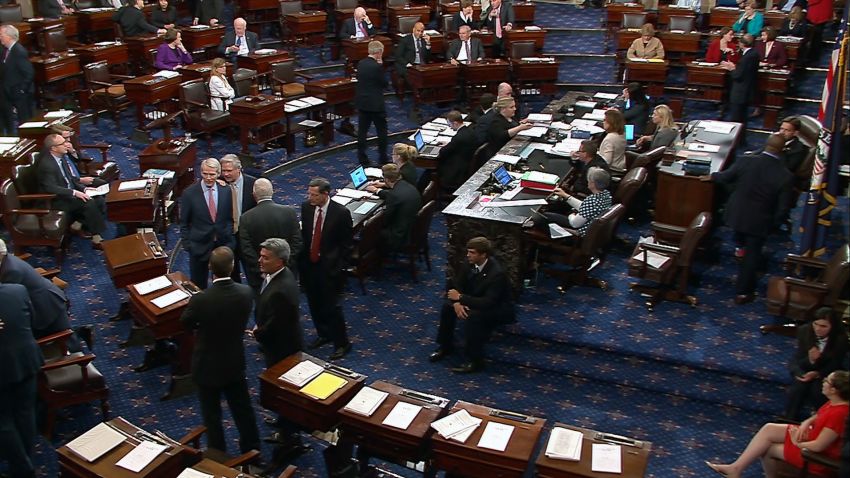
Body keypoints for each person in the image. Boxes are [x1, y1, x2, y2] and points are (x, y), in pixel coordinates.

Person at [180, 246, 260, 456]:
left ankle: (218, 456)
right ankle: (252, 452)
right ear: (233, 266)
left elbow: (186, 323)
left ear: (209, 267)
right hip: (234, 362)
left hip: (206, 366)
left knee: (212, 415)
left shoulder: (200, 299)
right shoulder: (246, 293)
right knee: (243, 411)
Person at [701, 134, 793, 304]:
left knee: (744, 239)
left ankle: (739, 247)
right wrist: (773, 225)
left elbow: (726, 176)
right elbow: (783, 208)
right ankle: (742, 293)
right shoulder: (785, 175)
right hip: (759, 221)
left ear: (765, 145)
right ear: (782, 150)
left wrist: (712, 176)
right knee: (753, 255)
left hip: (736, 214)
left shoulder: (746, 161)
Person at [706, 370, 849, 478]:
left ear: (834, 390)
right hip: (809, 435)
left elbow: (819, 446)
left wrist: (797, 443)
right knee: (769, 429)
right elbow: (819, 415)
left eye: (826, 381)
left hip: (815, 455)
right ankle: (735, 469)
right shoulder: (834, 401)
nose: (823, 382)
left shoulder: (840, 414)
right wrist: (807, 422)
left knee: (769, 450)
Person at [429, 236, 514, 374]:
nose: (468, 255)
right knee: (447, 307)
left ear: (483, 254)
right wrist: (457, 302)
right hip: (473, 300)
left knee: (474, 317)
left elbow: (489, 302)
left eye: (472, 252)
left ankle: (475, 360)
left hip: (496, 308)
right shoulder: (469, 263)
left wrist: (462, 298)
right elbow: (456, 286)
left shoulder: (497, 274)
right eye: (468, 252)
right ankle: (445, 346)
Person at [251, 238, 303, 448]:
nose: (260, 261)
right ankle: (283, 421)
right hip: (279, 344)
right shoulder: (278, 276)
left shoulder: (282, 288)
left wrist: (258, 333)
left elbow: (276, 325)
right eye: (260, 255)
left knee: (284, 391)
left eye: (265, 257)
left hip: (283, 349)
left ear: (280, 261)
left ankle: (288, 434)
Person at [299, 178, 353, 361]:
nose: (310, 198)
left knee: (332, 307)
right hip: (310, 265)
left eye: (314, 195)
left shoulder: (341, 213)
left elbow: (346, 245)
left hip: (330, 268)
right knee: (314, 303)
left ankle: (342, 343)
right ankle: (324, 333)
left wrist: (340, 268)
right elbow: (305, 236)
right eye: (309, 194)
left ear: (325, 194)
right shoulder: (306, 208)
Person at [0, 239, 88, 351]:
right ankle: (81, 333)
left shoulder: (11, 271)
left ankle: (80, 356)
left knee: (66, 339)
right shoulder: (5, 261)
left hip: (46, 306)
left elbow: (7, 298)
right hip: (38, 301)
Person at [0, 283, 43, 478]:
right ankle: (26, 458)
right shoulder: (18, 290)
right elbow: (32, 322)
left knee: (4, 421)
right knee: (25, 412)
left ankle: (22, 468)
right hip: (26, 361)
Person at [36, 134, 108, 249]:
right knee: (88, 202)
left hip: (68, 193)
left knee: (98, 199)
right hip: (55, 200)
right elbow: (50, 188)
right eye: (62, 143)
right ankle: (96, 238)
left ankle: (77, 224)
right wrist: (74, 192)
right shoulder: (46, 165)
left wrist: (84, 189)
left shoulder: (61, 157)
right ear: (53, 148)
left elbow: (70, 178)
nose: (66, 144)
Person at [784, 308, 849, 421]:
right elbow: (798, 359)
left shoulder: (840, 339)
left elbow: (836, 363)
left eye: (823, 326)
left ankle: (822, 421)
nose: (818, 329)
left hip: (826, 371)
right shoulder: (804, 331)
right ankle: (789, 419)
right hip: (806, 366)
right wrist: (810, 361)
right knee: (799, 386)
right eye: (815, 324)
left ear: (832, 326)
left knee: (817, 390)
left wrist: (818, 374)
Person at [179, 158, 235, 289]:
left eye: (212, 174)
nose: (208, 178)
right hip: (198, 246)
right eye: (205, 174)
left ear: (218, 173)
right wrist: (188, 245)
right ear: (201, 172)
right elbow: (184, 223)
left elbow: (229, 217)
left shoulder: (225, 190)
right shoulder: (189, 193)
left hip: (222, 243)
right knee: (198, 286)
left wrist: (230, 239)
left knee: (223, 284)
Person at [239, 179, 302, 293]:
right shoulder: (289, 212)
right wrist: (284, 266)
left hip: (259, 277)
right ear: (272, 192)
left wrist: (261, 269)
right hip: (286, 273)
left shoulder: (246, 218)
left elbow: (246, 249)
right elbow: (297, 242)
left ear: (254, 195)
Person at [537, 168, 613, 237]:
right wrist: (566, 196)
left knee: (543, 217)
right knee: (560, 206)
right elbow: (585, 206)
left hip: (577, 234)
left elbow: (574, 224)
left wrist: (571, 215)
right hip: (589, 227)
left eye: (589, 180)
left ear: (592, 183)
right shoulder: (606, 194)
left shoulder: (593, 201)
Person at [366, 164, 421, 252]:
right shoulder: (407, 186)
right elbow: (395, 196)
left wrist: (371, 219)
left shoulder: (394, 195)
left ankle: (370, 259)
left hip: (399, 235)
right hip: (412, 228)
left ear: (386, 179)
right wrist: (378, 191)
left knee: (369, 230)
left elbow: (386, 221)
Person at [220, 154, 256, 283]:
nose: (226, 174)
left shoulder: (253, 184)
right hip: (228, 236)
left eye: (229, 171)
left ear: (239, 169)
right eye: (223, 170)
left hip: (248, 236)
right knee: (232, 274)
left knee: (252, 272)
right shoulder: (218, 184)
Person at [355, 41, 388, 167]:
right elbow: (384, 83)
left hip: (363, 103)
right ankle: (383, 158)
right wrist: (381, 66)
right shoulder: (377, 67)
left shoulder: (361, 63)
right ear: (379, 53)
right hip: (376, 105)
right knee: (382, 132)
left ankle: (362, 158)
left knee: (362, 132)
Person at [721, 34, 759, 141]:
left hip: (740, 92)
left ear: (741, 43)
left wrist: (732, 68)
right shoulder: (754, 54)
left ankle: (734, 142)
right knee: (742, 119)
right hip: (747, 91)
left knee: (736, 118)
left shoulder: (747, 57)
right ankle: (741, 141)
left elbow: (738, 76)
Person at [0, 25, 35, 131]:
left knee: (25, 122)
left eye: (1, 35)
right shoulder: (5, 50)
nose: (0, 37)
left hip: (20, 93)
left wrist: (22, 90)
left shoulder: (19, 51)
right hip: (8, 91)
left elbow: (29, 73)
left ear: (9, 36)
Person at [436, 110, 479, 190]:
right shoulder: (470, 131)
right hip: (465, 162)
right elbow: (457, 145)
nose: (449, 127)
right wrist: (450, 144)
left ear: (455, 123)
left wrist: (446, 146)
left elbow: (443, 152)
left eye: (449, 124)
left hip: (457, 171)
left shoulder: (458, 138)